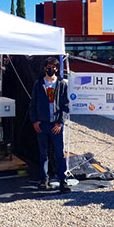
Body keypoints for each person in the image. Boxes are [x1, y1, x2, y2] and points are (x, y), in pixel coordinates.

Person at [30, 57, 71, 193]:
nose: (51, 69)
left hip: (56, 125)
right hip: (42, 124)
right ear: (44, 68)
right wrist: (35, 121)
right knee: (43, 154)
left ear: (57, 68)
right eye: (48, 66)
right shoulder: (38, 84)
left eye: (53, 67)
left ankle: (62, 180)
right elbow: (33, 104)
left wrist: (60, 123)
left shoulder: (61, 84)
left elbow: (66, 106)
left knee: (59, 154)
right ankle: (44, 179)